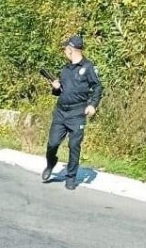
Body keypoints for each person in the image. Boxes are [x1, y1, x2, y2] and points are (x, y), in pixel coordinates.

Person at [42, 34, 103, 190]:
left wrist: (93, 105)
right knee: (52, 143)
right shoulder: (66, 69)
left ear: (71, 50)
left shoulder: (88, 67)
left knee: (74, 145)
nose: (64, 51)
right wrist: (56, 88)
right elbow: (60, 91)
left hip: (77, 113)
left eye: (65, 49)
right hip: (61, 112)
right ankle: (50, 162)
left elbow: (97, 87)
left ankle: (71, 177)